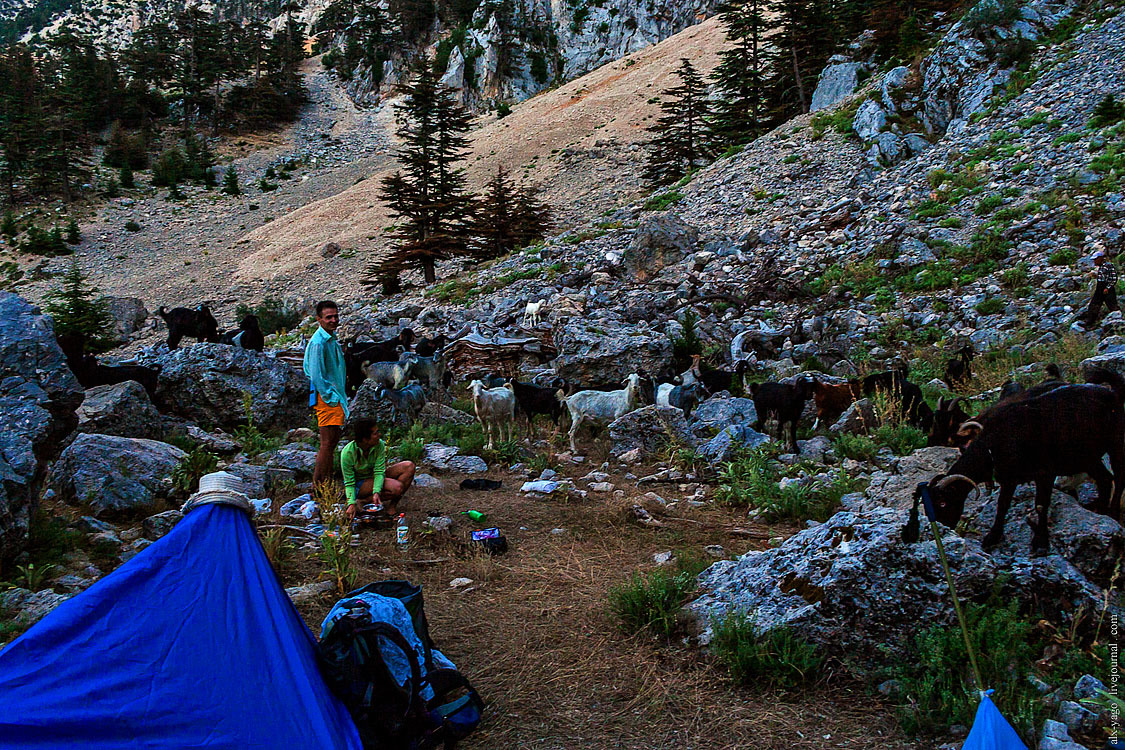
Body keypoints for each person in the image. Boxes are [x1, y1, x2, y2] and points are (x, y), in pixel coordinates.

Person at [303, 301, 349, 489]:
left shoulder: (330, 339)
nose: (333, 320)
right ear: (319, 319)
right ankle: (319, 487)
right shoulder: (318, 342)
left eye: (335, 316)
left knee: (331, 443)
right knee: (327, 442)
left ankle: (325, 484)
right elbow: (315, 374)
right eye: (329, 317)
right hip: (327, 397)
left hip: (335, 395)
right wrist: (330, 396)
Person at [340, 418, 416, 521]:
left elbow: (379, 471)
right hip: (359, 485)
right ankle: (362, 501)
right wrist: (351, 503)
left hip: (373, 477)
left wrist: (376, 491)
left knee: (409, 466)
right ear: (365, 439)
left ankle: (391, 507)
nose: (379, 435)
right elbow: (349, 483)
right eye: (375, 433)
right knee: (396, 487)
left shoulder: (379, 445)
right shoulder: (347, 453)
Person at [1083, 250, 1119, 328]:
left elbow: (1114, 278)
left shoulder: (1109, 266)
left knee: (1112, 305)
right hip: (1100, 288)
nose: (1094, 261)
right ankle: (1089, 322)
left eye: (1095, 259)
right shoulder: (1101, 267)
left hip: (1107, 289)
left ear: (1100, 258)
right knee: (1094, 304)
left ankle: (1118, 321)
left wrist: (1107, 288)